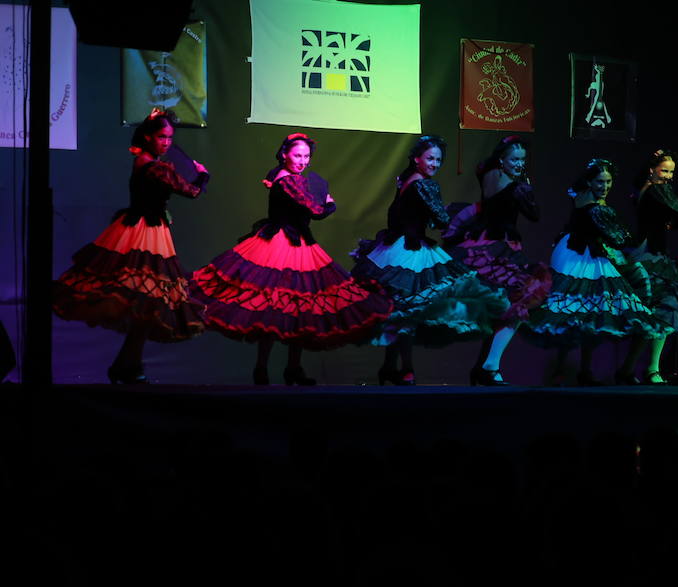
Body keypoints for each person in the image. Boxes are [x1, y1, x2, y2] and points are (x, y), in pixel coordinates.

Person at [193, 132, 392, 384]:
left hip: (296, 242)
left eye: (306, 156)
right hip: (280, 245)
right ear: (285, 154)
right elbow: (316, 212)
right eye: (297, 155)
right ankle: (265, 368)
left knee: (297, 306)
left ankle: (288, 368)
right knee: (274, 304)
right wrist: (330, 204)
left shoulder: (280, 175)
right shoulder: (288, 180)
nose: (302, 161)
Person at [53, 109, 209, 383]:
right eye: (162, 137)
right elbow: (191, 192)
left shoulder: (146, 160)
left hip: (149, 229)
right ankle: (128, 365)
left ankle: (129, 365)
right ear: (148, 136)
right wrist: (202, 176)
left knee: (147, 305)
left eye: (170, 138)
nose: (167, 143)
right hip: (143, 234)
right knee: (147, 301)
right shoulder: (153, 166)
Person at [351, 135, 508, 385]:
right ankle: (405, 369)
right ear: (416, 159)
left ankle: (392, 367)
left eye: (438, 159)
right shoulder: (425, 185)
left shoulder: (406, 179)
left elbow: (416, 215)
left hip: (397, 246)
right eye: (430, 158)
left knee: (401, 309)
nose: (435, 163)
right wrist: (458, 219)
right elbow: (441, 220)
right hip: (409, 250)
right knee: (408, 309)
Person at [524, 158, 660, 384]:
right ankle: (564, 370)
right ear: (589, 181)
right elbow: (619, 239)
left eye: (608, 182)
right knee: (575, 311)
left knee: (589, 312)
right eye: (599, 182)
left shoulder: (583, 197)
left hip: (579, 250)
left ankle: (580, 370)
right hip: (580, 257)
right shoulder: (596, 207)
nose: (604, 187)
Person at [442, 134, 552, 386]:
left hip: (491, 245)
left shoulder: (488, 174)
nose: (519, 163)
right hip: (496, 249)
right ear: (502, 159)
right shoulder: (515, 185)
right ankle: (489, 366)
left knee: (506, 310)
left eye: (523, 159)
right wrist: (525, 184)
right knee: (514, 305)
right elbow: (534, 214)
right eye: (514, 158)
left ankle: (486, 367)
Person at [616, 149, 678, 385]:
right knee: (662, 310)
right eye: (664, 170)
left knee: (656, 313)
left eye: (671, 172)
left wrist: (668, 222)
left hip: (649, 253)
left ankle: (635, 369)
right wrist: (673, 221)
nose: (668, 176)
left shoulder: (645, 188)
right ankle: (650, 369)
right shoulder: (658, 189)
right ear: (652, 170)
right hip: (651, 256)